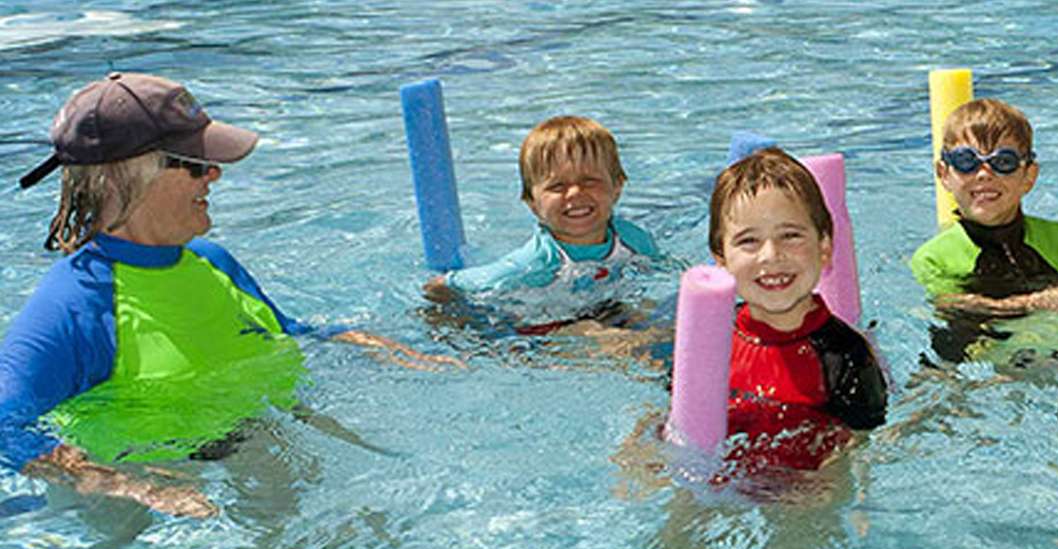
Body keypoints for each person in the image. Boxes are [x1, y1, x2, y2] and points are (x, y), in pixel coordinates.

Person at [1, 72, 448, 517]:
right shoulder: (76, 303)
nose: (214, 175)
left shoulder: (213, 262)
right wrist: (130, 487)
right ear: (125, 179)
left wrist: (375, 347)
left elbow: (284, 330)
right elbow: (6, 425)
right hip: (161, 504)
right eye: (195, 163)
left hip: (260, 452)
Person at [709, 148, 886, 471]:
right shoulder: (710, 339)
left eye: (790, 235)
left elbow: (864, 447)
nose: (771, 255)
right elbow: (676, 412)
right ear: (721, 258)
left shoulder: (846, 355)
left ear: (825, 248)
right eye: (749, 241)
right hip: (722, 480)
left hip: (804, 492)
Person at [421, 115, 659, 335]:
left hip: (606, 308)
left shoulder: (633, 240)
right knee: (601, 336)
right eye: (557, 186)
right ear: (532, 203)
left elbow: (663, 272)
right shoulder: (534, 263)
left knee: (656, 322)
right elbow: (448, 285)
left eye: (590, 181)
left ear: (617, 187)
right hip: (540, 328)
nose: (575, 192)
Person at [910, 98, 1058, 366]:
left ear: (1029, 176)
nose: (984, 174)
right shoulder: (933, 258)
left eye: (1003, 161)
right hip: (969, 356)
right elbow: (951, 305)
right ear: (943, 174)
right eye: (966, 161)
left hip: (1048, 349)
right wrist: (1031, 303)